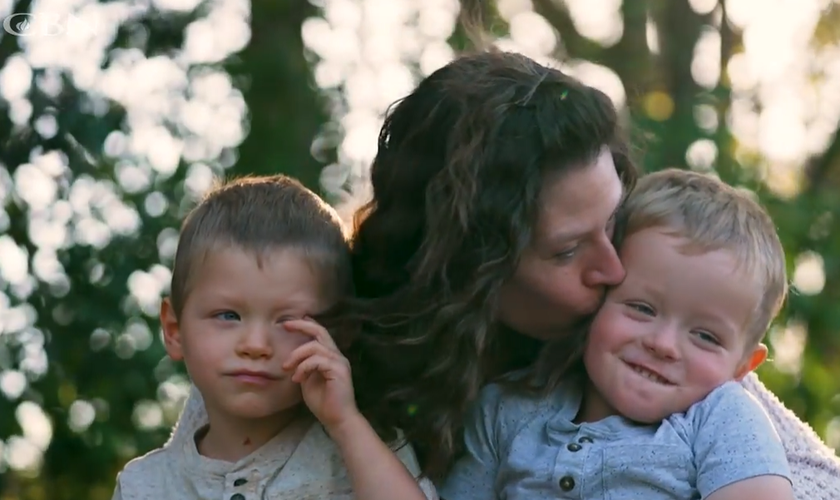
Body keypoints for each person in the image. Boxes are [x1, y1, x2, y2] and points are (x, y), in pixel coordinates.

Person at [172, 51, 840, 498]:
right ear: (469, 275)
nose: (613, 270)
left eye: (612, 226)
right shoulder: (315, 352)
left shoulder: (685, 384)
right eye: (564, 251)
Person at [440, 169, 793, 499]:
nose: (663, 344)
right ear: (597, 299)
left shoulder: (723, 420)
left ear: (743, 366)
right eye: (642, 309)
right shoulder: (507, 409)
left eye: (706, 337)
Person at [111, 175, 436, 499]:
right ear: (174, 330)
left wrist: (345, 424)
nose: (255, 345)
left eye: (289, 321)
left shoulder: (365, 453)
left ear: (338, 333)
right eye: (228, 316)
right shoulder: (143, 486)